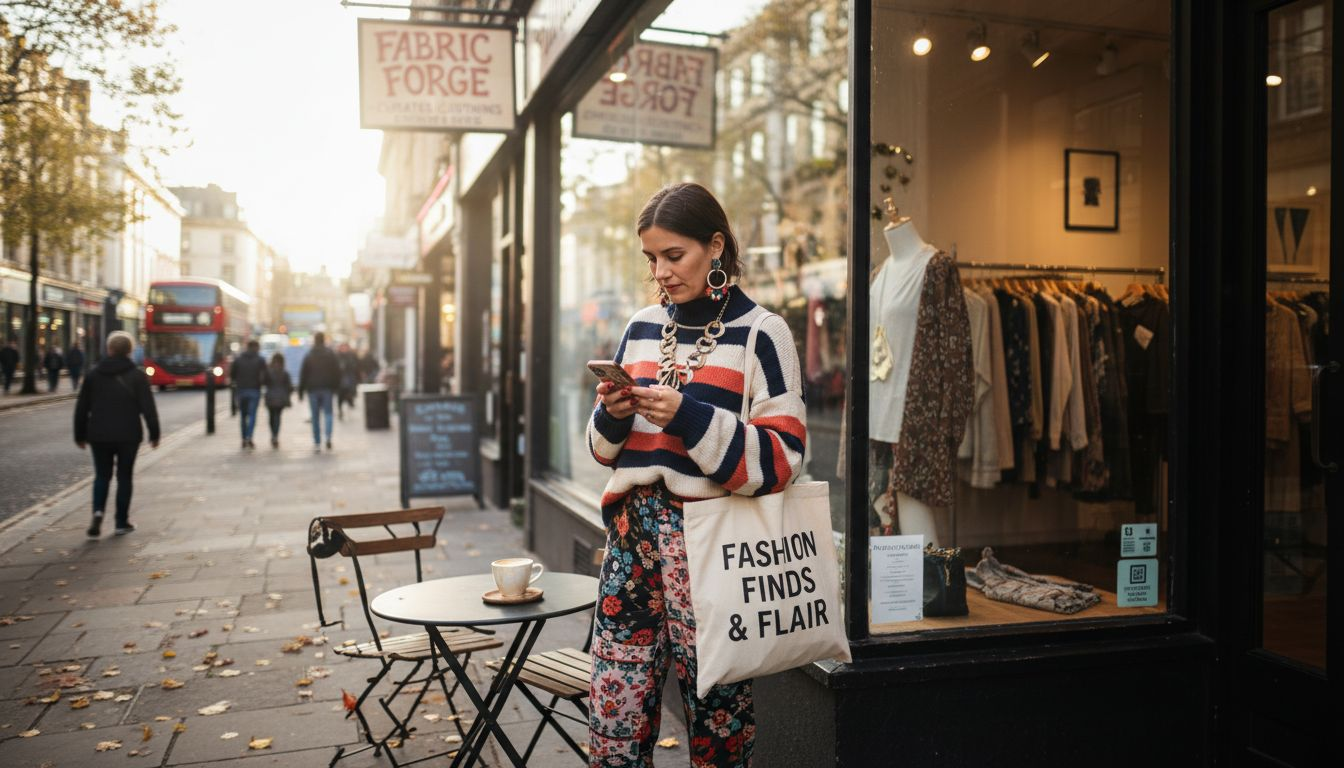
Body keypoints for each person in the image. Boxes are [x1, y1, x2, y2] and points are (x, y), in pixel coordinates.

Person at [585, 183, 807, 767]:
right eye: (650, 259)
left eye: (673, 255)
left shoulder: (764, 333)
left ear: (715, 247)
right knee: (616, 712)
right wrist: (610, 415)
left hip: (712, 547)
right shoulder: (640, 327)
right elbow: (604, 452)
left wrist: (687, 417)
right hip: (631, 543)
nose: (659, 272)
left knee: (718, 720)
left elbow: (783, 458)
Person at [73, 330, 160, 538]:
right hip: (129, 435)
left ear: (109, 349)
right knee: (124, 477)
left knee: (102, 475)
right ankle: (121, 522)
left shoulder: (93, 375)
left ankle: (98, 512)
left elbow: (82, 407)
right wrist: (154, 433)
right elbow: (148, 408)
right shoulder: (137, 376)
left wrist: (80, 435)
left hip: (99, 435)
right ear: (130, 351)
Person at [299, 331, 341, 451]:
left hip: (313, 389)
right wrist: (336, 387)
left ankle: (317, 442)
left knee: (315, 416)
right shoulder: (330, 354)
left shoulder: (309, 355)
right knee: (328, 413)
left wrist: (301, 391)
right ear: (324, 340)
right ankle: (328, 438)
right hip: (327, 388)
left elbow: (304, 374)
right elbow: (337, 372)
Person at [230, 339, 269, 449]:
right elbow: (265, 375)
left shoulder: (238, 359)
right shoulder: (260, 359)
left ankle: (243, 438)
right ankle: (249, 437)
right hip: (254, 390)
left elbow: (232, 375)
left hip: (241, 390)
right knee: (252, 415)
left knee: (243, 416)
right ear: (256, 347)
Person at [264, 352, 293, 448]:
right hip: (281, 398)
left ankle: (273, 434)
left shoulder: (268, 371)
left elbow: (264, 382)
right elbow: (289, 387)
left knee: (271, 417)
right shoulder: (284, 372)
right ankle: (275, 435)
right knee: (278, 417)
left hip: (270, 397)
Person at [336, 342, 358, 419]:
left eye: (345, 347)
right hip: (340, 379)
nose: (344, 349)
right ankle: (340, 409)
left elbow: (356, 365)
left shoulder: (351, 355)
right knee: (340, 396)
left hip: (349, 377)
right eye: (342, 347)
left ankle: (349, 401)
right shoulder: (337, 356)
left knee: (349, 392)